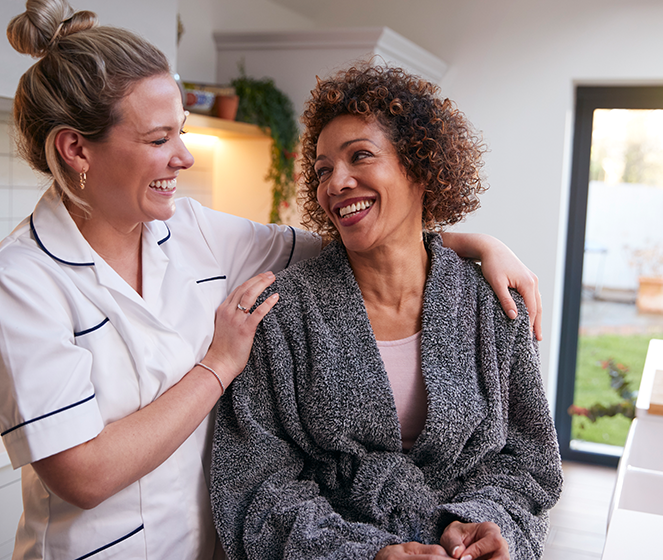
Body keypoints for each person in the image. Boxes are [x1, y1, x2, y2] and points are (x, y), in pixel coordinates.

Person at [0, 2, 543, 559]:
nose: (184, 157)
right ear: (75, 149)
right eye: (160, 138)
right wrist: (220, 362)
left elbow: (355, 241)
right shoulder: (16, 282)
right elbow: (82, 475)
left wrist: (477, 245)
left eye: (181, 131)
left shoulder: (196, 233)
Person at [210, 63, 562, 560]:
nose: (337, 182)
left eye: (360, 156)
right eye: (323, 169)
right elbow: (252, 484)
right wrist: (365, 553)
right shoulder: (283, 317)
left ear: (420, 166)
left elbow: (529, 463)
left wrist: (485, 526)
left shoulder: (492, 304)